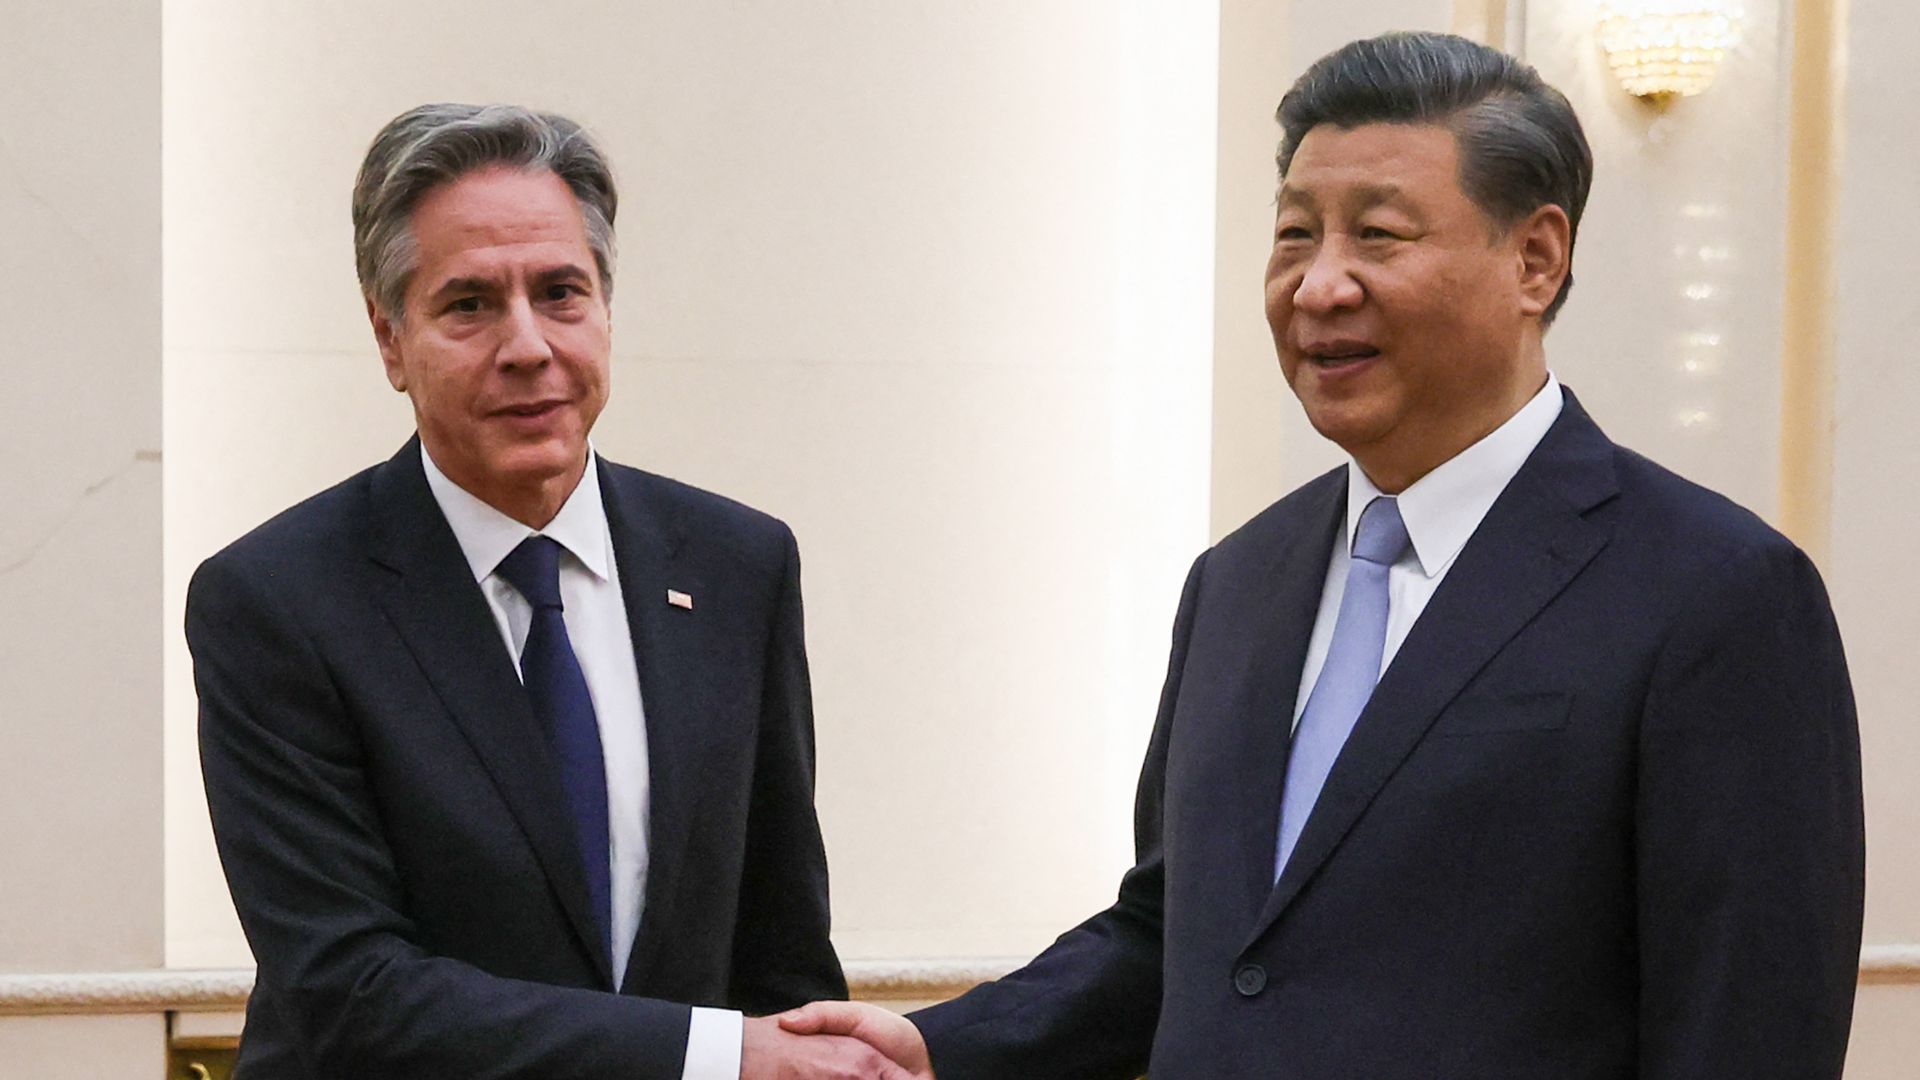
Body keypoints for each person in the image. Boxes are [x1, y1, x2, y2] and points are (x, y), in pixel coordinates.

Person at [780, 31, 1866, 1079]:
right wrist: (945, 1046)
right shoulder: (1238, 582)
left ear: (1535, 259)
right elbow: (1184, 936)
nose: (1317, 286)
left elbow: (1745, 1030)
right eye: (1296, 233)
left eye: (1379, 236)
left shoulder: (1715, 595)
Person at [188, 104, 910, 1080]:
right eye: (471, 304)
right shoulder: (277, 602)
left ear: (607, 309)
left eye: (561, 292)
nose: (528, 344)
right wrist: (715, 1057)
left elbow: (780, 950)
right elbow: (349, 991)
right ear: (390, 338)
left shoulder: (739, 567)